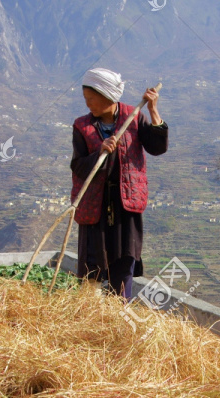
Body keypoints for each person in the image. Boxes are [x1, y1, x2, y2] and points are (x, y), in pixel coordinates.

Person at [70, 67, 168, 301]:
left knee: (124, 262)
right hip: (95, 208)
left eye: (92, 99)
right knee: (92, 264)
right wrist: (99, 154)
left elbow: (157, 148)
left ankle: (119, 309)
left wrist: (153, 110)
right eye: (86, 100)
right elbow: (78, 166)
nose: (88, 105)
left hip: (126, 206)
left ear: (108, 96)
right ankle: (89, 311)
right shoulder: (81, 126)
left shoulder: (133, 117)